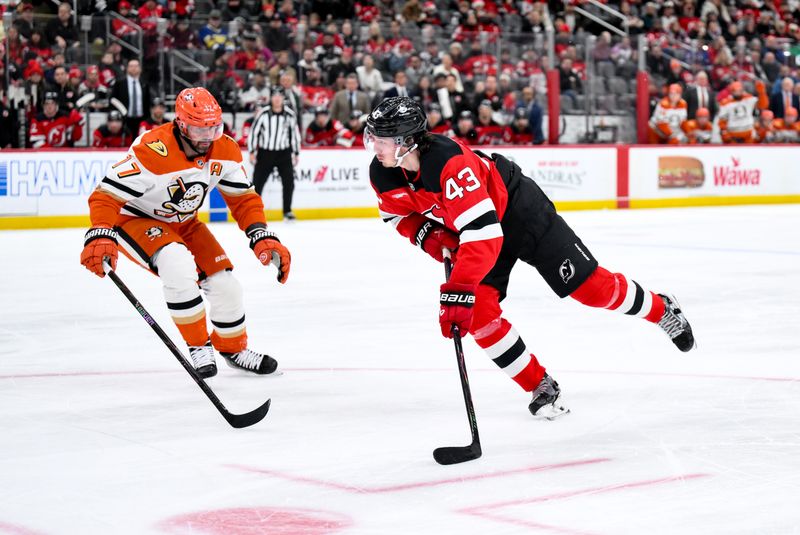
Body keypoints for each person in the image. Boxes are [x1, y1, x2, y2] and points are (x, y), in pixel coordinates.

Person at [364, 97, 696, 418]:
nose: (374, 148)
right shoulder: (383, 174)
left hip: (517, 210)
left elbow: (485, 236)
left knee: (590, 289)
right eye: (373, 139)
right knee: (479, 312)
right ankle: (539, 384)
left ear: (407, 142)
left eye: (381, 140)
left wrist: (458, 288)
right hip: (478, 229)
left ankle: (661, 308)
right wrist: (433, 238)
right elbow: (399, 217)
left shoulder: (447, 162)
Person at [79, 87, 291, 378]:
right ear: (180, 124)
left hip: (184, 220)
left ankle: (233, 349)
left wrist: (261, 235)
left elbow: (243, 199)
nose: (207, 138)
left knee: (227, 286)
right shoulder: (152, 150)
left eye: (214, 129)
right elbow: (105, 195)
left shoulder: (225, 149)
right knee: (177, 264)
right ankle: (198, 345)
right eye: (199, 129)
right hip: (135, 219)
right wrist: (101, 233)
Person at [247, 86, 302, 221]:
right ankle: (254, 211)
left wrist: (296, 152)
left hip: (284, 153)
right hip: (266, 153)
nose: (277, 99)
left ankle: (287, 211)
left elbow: (294, 134)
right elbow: (254, 132)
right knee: (258, 182)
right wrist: (252, 151)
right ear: (271, 98)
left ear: (283, 98)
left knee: (289, 182)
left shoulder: (289, 114)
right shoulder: (264, 113)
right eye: (274, 96)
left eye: (280, 96)